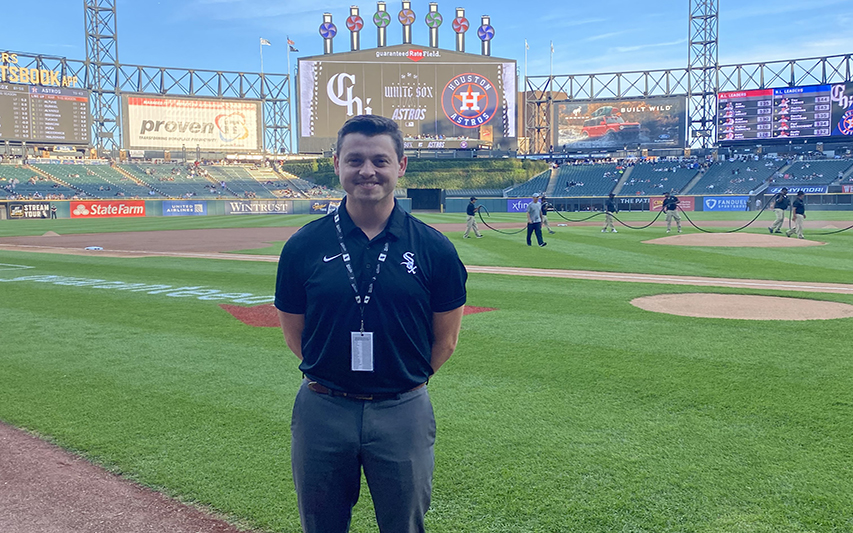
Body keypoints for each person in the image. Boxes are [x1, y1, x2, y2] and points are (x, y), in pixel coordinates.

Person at [274, 115, 468, 533]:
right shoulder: (303, 245)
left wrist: (399, 381)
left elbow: (446, 340)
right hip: (323, 408)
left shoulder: (434, 248)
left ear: (401, 165)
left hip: (403, 410)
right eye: (355, 160)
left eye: (380, 160)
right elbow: (294, 332)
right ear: (337, 164)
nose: (367, 171)